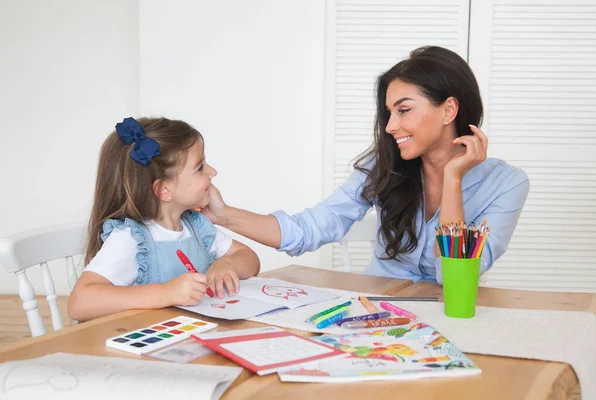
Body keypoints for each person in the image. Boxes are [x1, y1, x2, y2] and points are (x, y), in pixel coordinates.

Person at [201, 46, 529, 284]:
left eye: (404, 110)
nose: (390, 127)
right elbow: (309, 230)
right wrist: (223, 215)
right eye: (389, 114)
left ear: (448, 110)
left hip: (452, 315)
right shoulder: (383, 165)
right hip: (379, 314)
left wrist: (452, 179)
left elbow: (453, 277)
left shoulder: (508, 184)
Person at [68, 117, 260, 321]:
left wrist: (226, 265)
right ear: (163, 190)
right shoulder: (133, 238)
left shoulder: (196, 226)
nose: (212, 172)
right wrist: (166, 293)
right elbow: (79, 302)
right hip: (146, 343)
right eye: (200, 167)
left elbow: (250, 259)